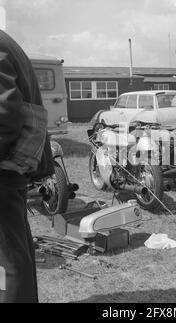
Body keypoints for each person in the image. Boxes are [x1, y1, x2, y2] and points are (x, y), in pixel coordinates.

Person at [0, 30, 54, 303]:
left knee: (7, 258)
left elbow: (3, 113)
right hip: (11, 166)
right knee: (13, 251)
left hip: (5, 165)